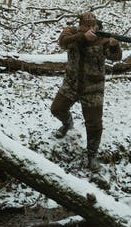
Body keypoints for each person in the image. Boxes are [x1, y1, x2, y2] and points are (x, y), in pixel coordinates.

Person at [51, 12, 122, 171]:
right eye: (87, 26)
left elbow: (116, 57)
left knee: (95, 124)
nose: (91, 28)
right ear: (80, 25)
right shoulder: (71, 33)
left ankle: (92, 155)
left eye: (93, 25)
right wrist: (83, 37)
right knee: (57, 109)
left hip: (93, 88)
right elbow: (62, 42)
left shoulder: (102, 39)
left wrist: (114, 45)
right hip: (72, 83)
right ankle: (67, 123)